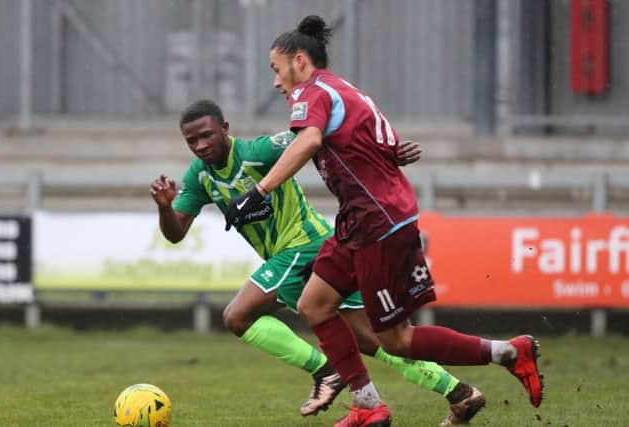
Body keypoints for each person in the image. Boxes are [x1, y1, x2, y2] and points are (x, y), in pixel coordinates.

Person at [224, 15, 544, 427]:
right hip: (359, 220)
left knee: (396, 339)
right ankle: (368, 404)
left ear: (299, 60)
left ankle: (508, 352)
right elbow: (378, 143)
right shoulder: (345, 90)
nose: (275, 81)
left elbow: (309, 140)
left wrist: (259, 191)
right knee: (315, 305)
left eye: (275, 69)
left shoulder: (312, 91)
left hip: (379, 223)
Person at [151, 99, 482, 424]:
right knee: (375, 340)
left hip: (304, 245)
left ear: (225, 129)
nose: (200, 145)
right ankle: (460, 393)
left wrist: (384, 155)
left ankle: (327, 372)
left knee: (238, 316)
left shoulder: (258, 152)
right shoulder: (200, 177)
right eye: (192, 140)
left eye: (207, 135)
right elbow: (176, 233)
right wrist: (165, 208)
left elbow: (318, 136)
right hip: (315, 255)